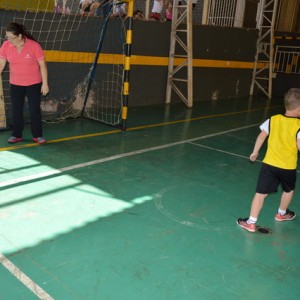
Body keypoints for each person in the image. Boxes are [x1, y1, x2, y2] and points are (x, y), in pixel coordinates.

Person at [237, 88, 300, 232]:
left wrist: (255, 151)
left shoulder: (273, 120)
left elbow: (261, 136)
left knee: (260, 194)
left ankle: (251, 222)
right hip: (288, 167)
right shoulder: (298, 126)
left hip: (269, 165)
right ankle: (281, 214)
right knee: (289, 190)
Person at [0, 22, 49, 144]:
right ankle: (16, 135)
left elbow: (42, 65)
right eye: (7, 37)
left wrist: (45, 83)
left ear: (20, 36)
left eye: (11, 37)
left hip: (33, 83)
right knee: (16, 109)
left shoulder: (34, 46)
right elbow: (1, 63)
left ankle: (38, 135)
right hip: (16, 84)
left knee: (34, 110)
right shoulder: (6, 45)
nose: (9, 40)